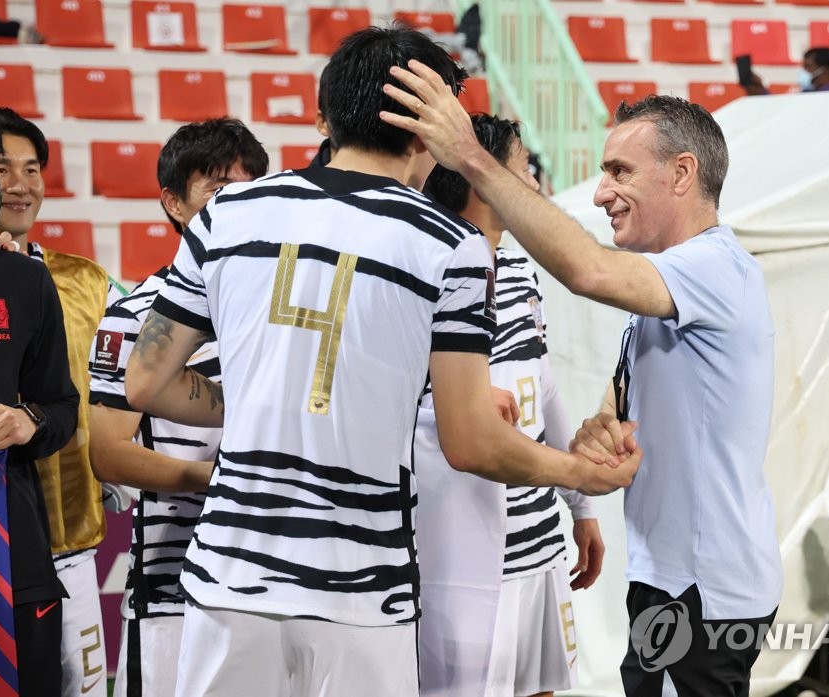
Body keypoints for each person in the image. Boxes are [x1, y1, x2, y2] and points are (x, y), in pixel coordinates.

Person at [122, 26, 639, 697]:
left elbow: (144, 379)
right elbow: (472, 440)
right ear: (431, 129)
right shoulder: (449, 244)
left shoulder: (228, 212)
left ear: (323, 116)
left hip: (228, 580)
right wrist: (580, 474)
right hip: (361, 592)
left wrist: (253, 403)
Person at [382, 65, 782, 697]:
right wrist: (604, 425)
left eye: (619, 172)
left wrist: (473, 159)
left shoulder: (713, 267)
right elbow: (627, 397)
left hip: (700, 589)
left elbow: (587, 271)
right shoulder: (674, 276)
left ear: (682, 173)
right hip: (675, 579)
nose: (600, 193)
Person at [420, 114, 604, 697]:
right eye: (524, 168)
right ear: (482, 178)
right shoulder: (424, 265)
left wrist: (580, 505)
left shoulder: (523, 267)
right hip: (457, 552)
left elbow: (541, 381)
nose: (533, 182)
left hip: (537, 538)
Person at [87, 118, 268, 697]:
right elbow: (109, 455)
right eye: (219, 190)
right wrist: (221, 482)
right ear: (173, 203)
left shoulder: (282, 310)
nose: (238, 205)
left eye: (251, 188)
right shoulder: (134, 315)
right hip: (173, 587)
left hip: (276, 583)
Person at [0, 107, 125, 697]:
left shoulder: (88, 280)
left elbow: (105, 393)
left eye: (31, 168)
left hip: (72, 540)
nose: (19, 184)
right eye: (1, 167)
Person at [0, 102, 77, 697]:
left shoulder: (25, 279)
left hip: (11, 546)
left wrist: (27, 421)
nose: (8, 184)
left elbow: (61, 405)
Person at [746, 47, 829, 95]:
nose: (803, 71)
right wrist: (761, 90)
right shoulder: (807, 93)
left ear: (825, 72)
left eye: (808, 67)